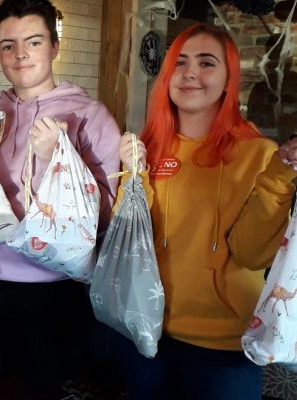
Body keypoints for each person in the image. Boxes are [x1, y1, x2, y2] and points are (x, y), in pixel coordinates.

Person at [0, 0, 121, 397]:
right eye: (8, 45)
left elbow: (106, 213)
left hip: (46, 293)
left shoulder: (89, 116)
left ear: (54, 47)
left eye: (34, 41)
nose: (20, 54)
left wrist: (60, 160)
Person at [116, 23, 297, 400]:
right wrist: (135, 174)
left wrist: (279, 178)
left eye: (206, 62)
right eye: (180, 62)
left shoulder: (259, 154)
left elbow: (252, 254)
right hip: (145, 330)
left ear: (229, 80)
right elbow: (128, 239)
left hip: (224, 346)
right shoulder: (148, 147)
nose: (190, 73)